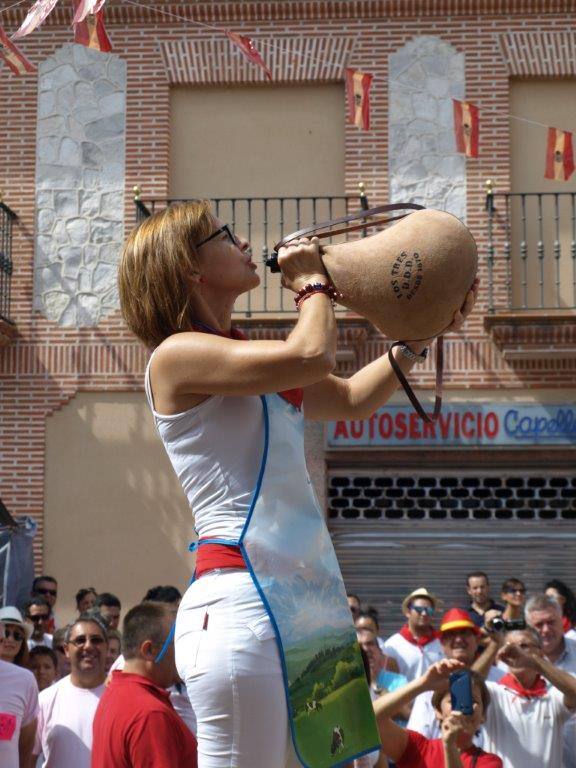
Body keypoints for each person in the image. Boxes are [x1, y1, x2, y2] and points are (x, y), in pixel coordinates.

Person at [117, 201, 476, 768]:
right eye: (225, 234)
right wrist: (312, 285)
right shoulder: (175, 356)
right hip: (239, 603)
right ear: (191, 267)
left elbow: (353, 399)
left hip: (299, 606)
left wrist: (418, 339)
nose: (242, 243)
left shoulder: (242, 355)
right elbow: (311, 354)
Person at [92, 602, 197, 767]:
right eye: (178, 644)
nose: (185, 654)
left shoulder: (113, 693)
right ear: (149, 650)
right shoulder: (150, 713)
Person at [373, 658, 502, 767]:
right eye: (454, 701)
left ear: (483, 715)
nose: (463, 710)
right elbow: (370, 718)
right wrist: (423, 684)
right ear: (438, 711)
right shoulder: (418, 748)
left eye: (472, 700)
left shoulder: (490, 762)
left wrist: (450, 746)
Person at [481, 628, 576, 768]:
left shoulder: (553, 695)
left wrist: (534, 662)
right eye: (509, 647)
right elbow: (465, 688)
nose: (516, 652)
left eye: (523, 646)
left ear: (540, 652)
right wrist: (494, 645)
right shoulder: (493, 692)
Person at [407, 608, 504, 741]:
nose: (458, 639)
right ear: (441, 643)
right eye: (451, 634)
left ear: (477, 639)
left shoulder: (501, 678)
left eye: (464, 633)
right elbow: (417, 739)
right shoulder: (431, 682)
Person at [34, 614, 108, 767]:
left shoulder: (121, 697)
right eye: (80, 640)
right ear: (67, 650)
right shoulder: (46, 699)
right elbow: (29, 758)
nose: (88, 646)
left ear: (106, 648)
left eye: (96, 640)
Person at [525, 593, 576, 768]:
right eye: (539, 625)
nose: (545, 630)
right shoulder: (516, 661)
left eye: (551, 622)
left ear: (562, 622)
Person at [0, 620, 39, 768]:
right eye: (8, 633)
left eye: (17, 635)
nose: (10, 639)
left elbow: (26, 746)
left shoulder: (25, 680)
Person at [383, 588, 444, 682]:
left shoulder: (443, 643)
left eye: (428, 610)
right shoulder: (392, 646)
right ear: (408, 612)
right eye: (419, 609)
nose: (424, 614)